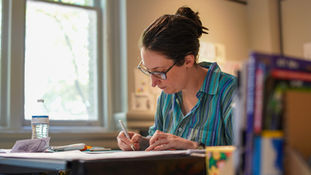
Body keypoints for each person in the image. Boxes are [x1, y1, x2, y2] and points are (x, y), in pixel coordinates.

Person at [117, 6, 237, 151]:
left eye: (160, 72)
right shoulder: (167, 96)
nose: (153, 83)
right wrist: (141, 142)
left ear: (188, 61)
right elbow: (158, 140)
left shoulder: (232, 93)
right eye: (149, 71)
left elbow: (247, 159)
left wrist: (194, 147)